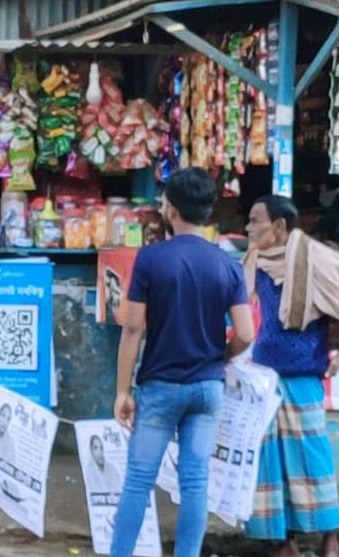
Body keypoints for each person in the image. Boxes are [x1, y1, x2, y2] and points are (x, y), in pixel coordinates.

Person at [110, 167, 255, 557]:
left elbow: (133, 328)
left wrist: (123, 390)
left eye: (162, 202)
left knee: (139, 480)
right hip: (208, 388)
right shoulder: (227, 265)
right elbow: (245, 332)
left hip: (160, 387)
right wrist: (219, 357)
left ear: (171, 211)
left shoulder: (151, 259)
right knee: (195, 482)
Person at [243, 195, 339, 557]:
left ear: (279, 226)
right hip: (265, 377)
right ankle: (284, 542)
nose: (248, 228)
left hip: (304, 375)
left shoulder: (321, 260)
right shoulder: (255, 260)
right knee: (272, 464)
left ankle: (330, 538)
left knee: (313, 461)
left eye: (255, 221)